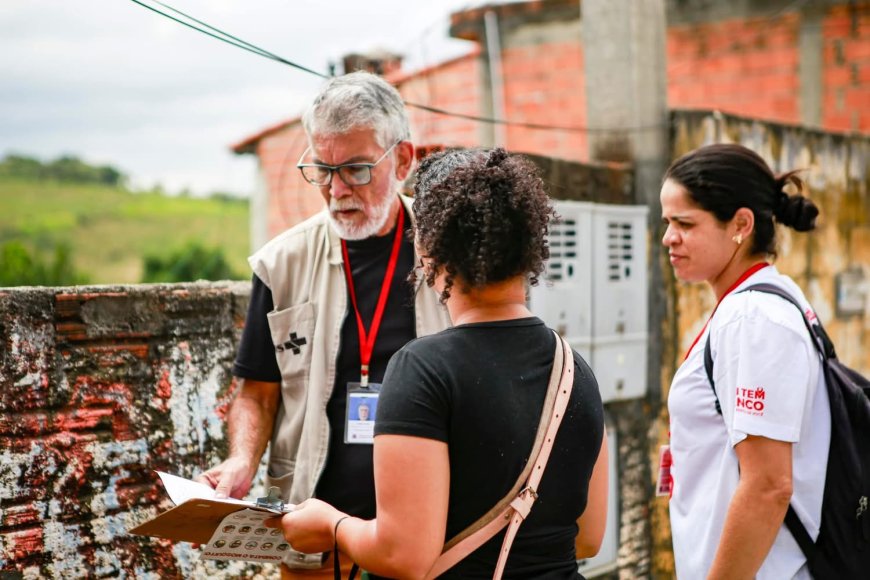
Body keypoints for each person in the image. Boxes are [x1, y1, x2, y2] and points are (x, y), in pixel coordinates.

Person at [269, 148, 609, 579]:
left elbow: (403, 555)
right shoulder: (575, 369)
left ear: (428, 249)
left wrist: (331, 524)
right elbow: (588, 537)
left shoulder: (423, 369)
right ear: (530, 246)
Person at [196, 71, 451, 577]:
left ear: (402, 159)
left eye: (356, 169)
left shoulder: (449, 249)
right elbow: (257, 391)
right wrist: (242, 459)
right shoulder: (282, 262)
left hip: (432, 540)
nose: (336, 189)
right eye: (321, 169)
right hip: (312, 541)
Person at [661, 143, 830, 579]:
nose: (668, 238)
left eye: (684, 223)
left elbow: (769, 485)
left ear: (740, 224)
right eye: (667, 222)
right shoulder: (764, 301)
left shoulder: (752, 317)